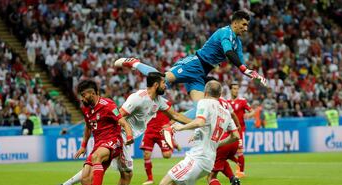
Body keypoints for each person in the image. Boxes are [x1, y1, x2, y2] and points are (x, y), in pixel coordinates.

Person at [55, 72, 192, 185]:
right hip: (119, 136)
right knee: (121, 172)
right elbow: (119, 116)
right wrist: (117, 136)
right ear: (156, 84)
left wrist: (196, 123)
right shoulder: (137, 98)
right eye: (164, 83)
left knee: (101, 167)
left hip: (125, 137)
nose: (166, 85)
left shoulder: (159, 101)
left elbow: (176, 115)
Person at [114, 10, 266, 118]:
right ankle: (135, 63)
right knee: (161, 79)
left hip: (201, 74)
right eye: (244, 24)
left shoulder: (237, 42)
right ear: (235, 23)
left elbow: (240, 63)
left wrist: (253, 73)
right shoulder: (225, 33)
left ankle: (172, 125)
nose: (246, 28)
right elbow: (229, 53)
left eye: (247, 25)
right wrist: (245, 69)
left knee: (201, 109)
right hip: (194, 64)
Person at [136, 80, 240, 185]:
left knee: (164, 184)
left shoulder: (204, 102)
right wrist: (215, 144)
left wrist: (181, 127)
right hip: (208, 159)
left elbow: (199, 121)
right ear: (220, 94)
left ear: (205, 93)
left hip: (197, 158)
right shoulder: (225, 111)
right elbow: (235, 136)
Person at [71, 80, 134, 185]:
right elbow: (88, 126)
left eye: (83, 95)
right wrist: (83, 145)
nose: (82, 98)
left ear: (92, 93)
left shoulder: (108, 105)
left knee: (96, 156)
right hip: (98, 144)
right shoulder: (86, 108)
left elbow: (123, 122)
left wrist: (129, 136)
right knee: (85, 178)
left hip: (114, 141)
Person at [140, 101, 181, 185]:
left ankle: (172, 142)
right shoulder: (145, 101)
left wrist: (169, 124)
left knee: (167, 155)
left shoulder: (166, 103)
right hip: (149, 131)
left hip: (162, 132)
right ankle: (150, 179)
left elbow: (175, 116)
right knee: (146, 154)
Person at [227, 81, 255, 178]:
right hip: (229, 131)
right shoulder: (227, 102)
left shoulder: (242, 101)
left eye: (237, 89)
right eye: (234, 89)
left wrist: (249, 115)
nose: (236, 91)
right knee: (226, 151)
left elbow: (252, 111)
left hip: (239, 130)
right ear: (230, 90)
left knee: (239, 151)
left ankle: (241, 172)